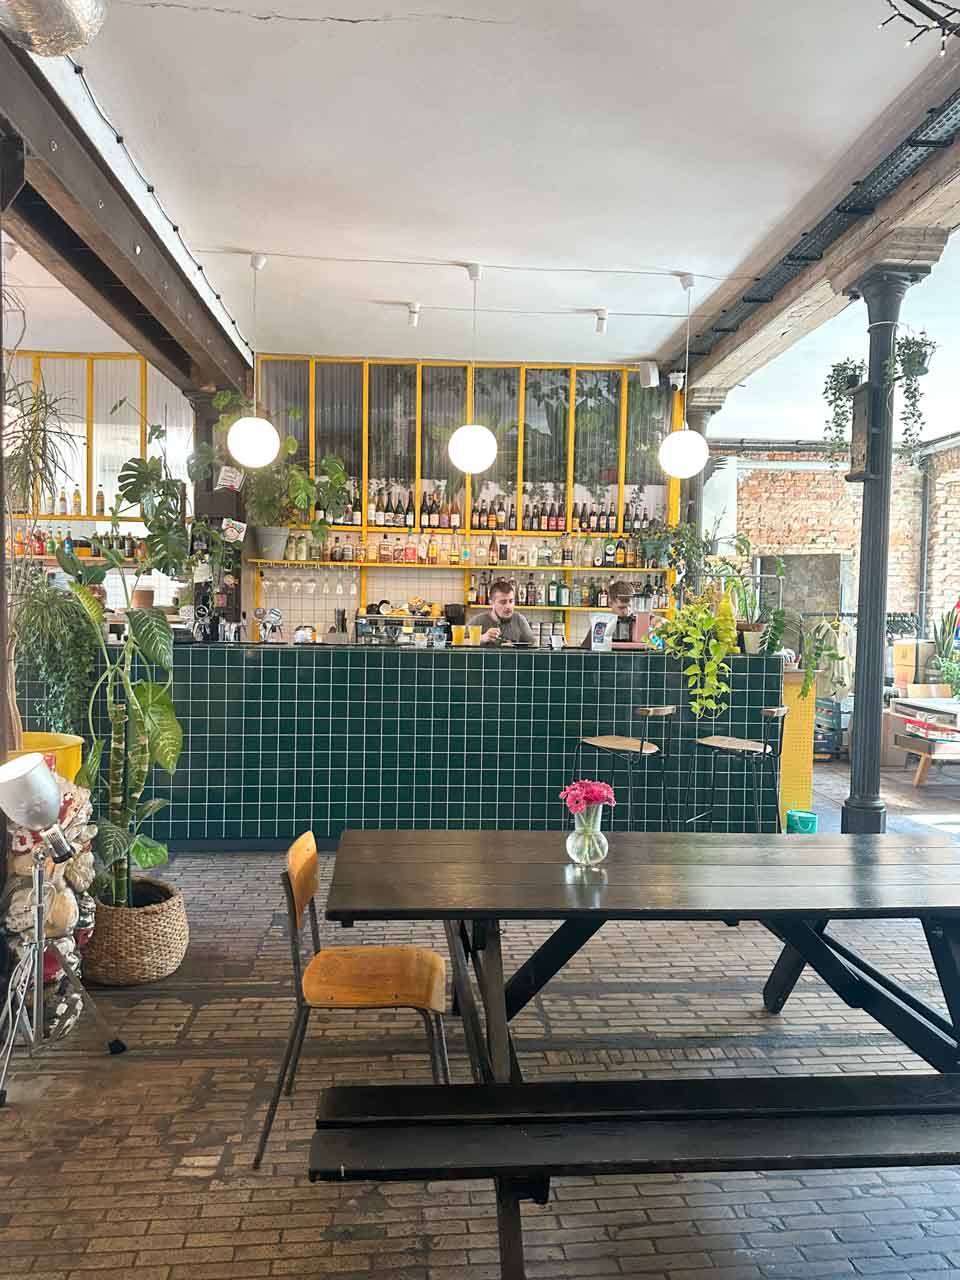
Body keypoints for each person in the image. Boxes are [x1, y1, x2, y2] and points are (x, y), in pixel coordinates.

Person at [470, 578, 535, 646]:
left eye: (511, 601)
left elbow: (533, 647)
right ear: (491, 603)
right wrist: (482, 638)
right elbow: (459, 643)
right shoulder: (478, 621)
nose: (508, 606)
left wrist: (514, 648)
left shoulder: (519, 620)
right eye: (503, 602)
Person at [581, 581, 633, 649]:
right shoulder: (600, 625)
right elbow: (583, 653)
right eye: (621, 608)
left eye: (630, 607)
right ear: (610, 603)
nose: (626, 612)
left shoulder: (637, 625)